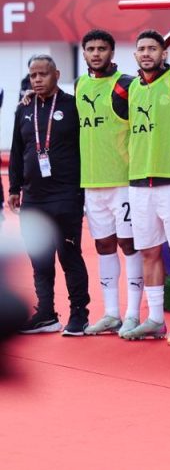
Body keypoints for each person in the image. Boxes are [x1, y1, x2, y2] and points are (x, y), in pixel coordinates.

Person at [119, 31, 170, 341]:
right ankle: (154, 318)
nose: (146, 53)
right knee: (149, 252)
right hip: (138, 183)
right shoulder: (128, 88)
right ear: (135, 55)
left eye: (153, 48)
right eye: (141, 49)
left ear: (164, 54)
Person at [7, 55, 90, 335]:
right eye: (33, 76)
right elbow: (17, 150)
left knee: (69, 255)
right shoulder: (24, 108)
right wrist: (14, 188)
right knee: (39, 258)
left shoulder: (73, 105)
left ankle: (79, 313)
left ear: (56, 74)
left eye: (43, 74)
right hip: (33, 197)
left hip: (66, 194)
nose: (38, 80)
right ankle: (46, 314)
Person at [74, 30, 143, 337]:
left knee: (129, 245)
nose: (97, 53)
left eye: (102, 48)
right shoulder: (79, 84)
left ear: (113, 52)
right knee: (103, 247)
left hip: (123, 181)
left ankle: (132, 314)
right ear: (85, 52)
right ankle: (111, 313)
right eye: (91, 48)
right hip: (92, 181)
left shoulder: (126, 85)